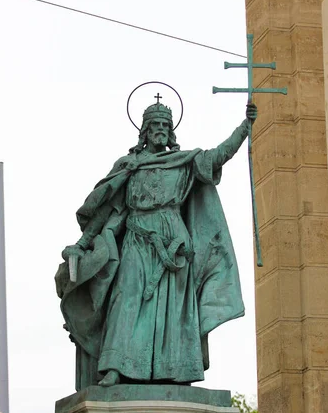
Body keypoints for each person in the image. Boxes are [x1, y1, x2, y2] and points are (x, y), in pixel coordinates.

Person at [56, 101, 257, 389]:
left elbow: (217, 157)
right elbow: (109, 209)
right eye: (155, 126)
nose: (160, 131)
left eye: (165, 126)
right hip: (137, 239)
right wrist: (84, 242)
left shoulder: (184, 163)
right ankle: (115, 366)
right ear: (145, 131)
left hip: (173, 246)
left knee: (173, 311)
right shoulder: (130, 166)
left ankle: (175, 370)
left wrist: (244, 128)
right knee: (124, 299)